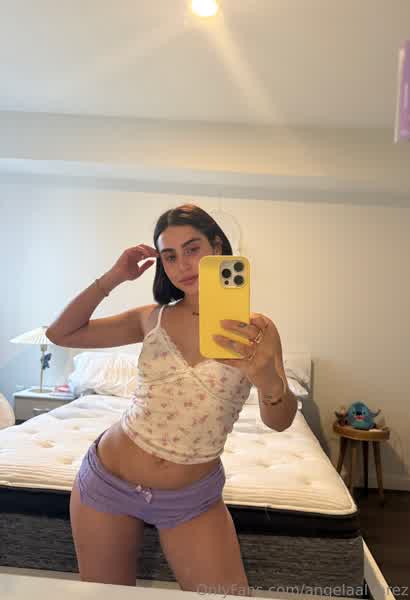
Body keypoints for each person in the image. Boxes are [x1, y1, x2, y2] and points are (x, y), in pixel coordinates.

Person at [46, 203, 298, 596]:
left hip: (191, 499)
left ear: (217, 247)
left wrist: (268, 380)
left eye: (193, 249)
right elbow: (60, 334)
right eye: (170, 256)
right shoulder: (152, 317)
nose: (183, 265)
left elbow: (279, 422)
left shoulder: (258, 330)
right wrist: (114, 277)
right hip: (107, 481)